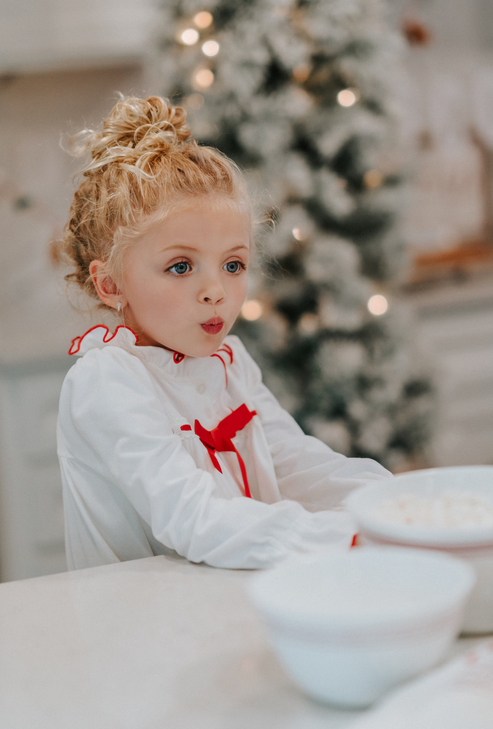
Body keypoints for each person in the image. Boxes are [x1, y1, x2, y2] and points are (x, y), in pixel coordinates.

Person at [58, 95, 391, 571]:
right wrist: (348, 537)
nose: (216, 290)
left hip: (226, 605)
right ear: (110, 284)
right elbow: (195, 519)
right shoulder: (106, 382)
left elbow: (298, 464)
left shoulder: (230, 363)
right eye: (180, 266)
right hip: (137, 630)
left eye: (233, 264)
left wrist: (394, 503)